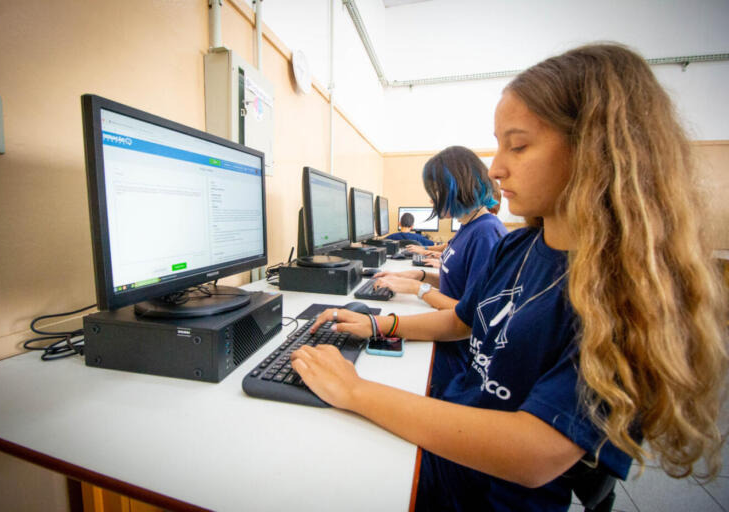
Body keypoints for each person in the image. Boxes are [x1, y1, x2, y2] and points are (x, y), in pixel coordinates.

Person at [291, 43, 728, 511]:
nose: (496, 168)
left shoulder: (620, 291)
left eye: (517, 145)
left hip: (491, 492)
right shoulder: (518, 246)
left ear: (596, 152)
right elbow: (461, 320)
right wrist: (378, 325)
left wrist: (357, 391)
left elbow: (533, 454)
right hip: (451, 442)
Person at [373, 146, 507, 394]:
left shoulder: (486, 233)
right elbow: (458, 283)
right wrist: (419, 275)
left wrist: (417, 289)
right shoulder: (469, 227)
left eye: (435, 191)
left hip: (456, 355)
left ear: (456, 187)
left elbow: (468, 318)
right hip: (445, 341)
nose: (431, 199)